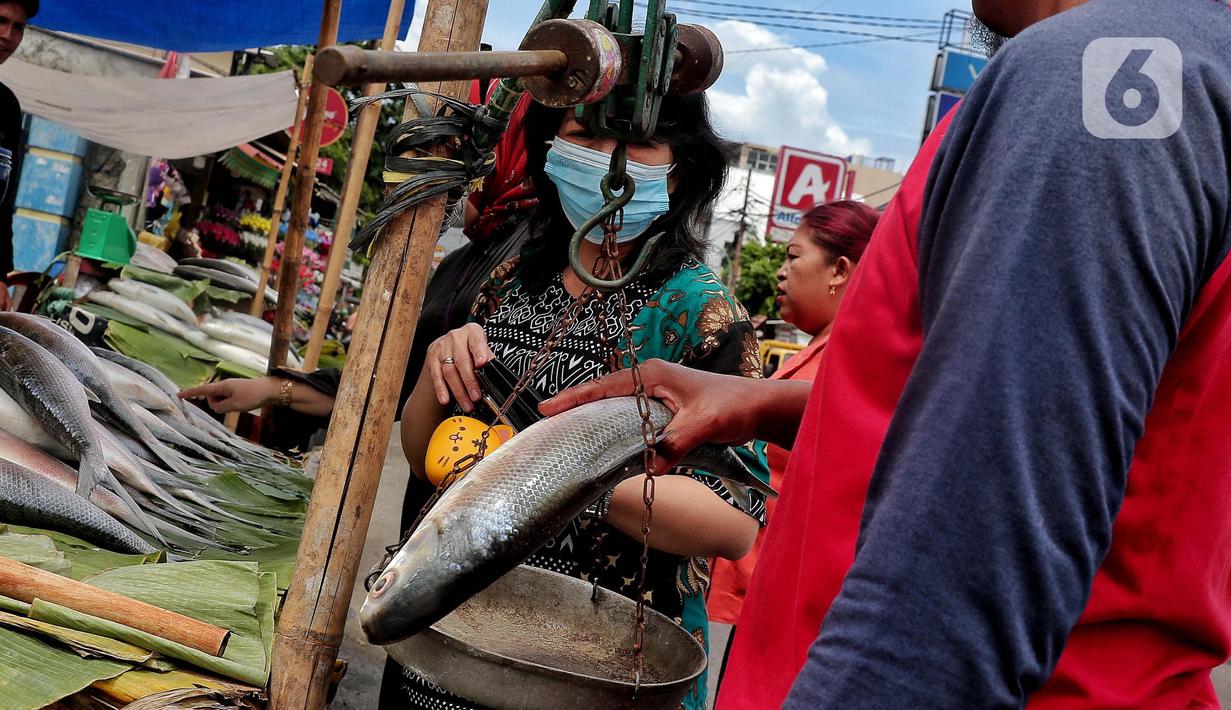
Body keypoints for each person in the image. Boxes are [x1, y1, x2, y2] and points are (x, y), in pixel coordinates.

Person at [541, 0, 1231, 706]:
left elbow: (959, 572)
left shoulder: (1101, 79)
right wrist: (771, 405)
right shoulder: (1165, 69)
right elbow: (1043, 422)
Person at [394, 93, 769, 710]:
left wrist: (550, 475)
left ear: (680, 168)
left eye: (637, 142)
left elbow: (731, 523)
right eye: (583, 136)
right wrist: (435, 375)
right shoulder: (509, 279)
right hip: (456, 642)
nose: (608, 163)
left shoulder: (703, 316)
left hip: (601, 658)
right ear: (549, 151)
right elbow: (423, 457)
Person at [705, 200, 878, 675]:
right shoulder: (821, 353)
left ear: (839, 270)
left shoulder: (844, 364)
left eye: (793, 257)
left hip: (791, 601)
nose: (780, 273)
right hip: (767, 590)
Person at [0, 0, 34, 311]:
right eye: (1, 20)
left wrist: (1, 274)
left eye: (18, 27)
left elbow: (4, 201)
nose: (7, 35)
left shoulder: (7, 108)